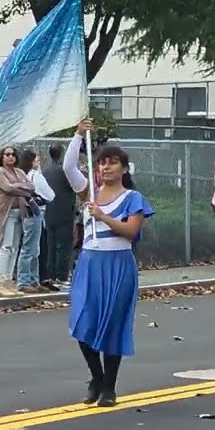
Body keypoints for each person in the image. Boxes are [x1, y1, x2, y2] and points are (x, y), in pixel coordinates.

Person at [63, 120, 154, 407]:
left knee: (113, 325)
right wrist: (78, 135)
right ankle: (96, 376)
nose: (105, 168)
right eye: (102, 163)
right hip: (90, 262)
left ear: (124, 169)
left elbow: (131, 231)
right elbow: (68, 168)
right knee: (83, 322)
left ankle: (109, 387)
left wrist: (103, 216)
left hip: (118, 264)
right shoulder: (89, 192)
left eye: (113, 163)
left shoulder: (133, 197)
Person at [0, 146, 35, 296]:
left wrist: (19, 186)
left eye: (13, 154)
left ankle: (8, 281)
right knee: (6, 247)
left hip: (18, 214)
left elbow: (31, 187)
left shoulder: (19, 171)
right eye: (7, 154)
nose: (10, 157)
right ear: (2, 157)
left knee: (15, 248)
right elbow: (8, 188)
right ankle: (0, 282)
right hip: (5, 214)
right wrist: (21, 187)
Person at [41, 143, 80, 290]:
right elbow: (77, 186)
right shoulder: (65, 172)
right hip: (64, 213)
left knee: (50, 246)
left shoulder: (45, 172)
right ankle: (62, 276)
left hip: (49, 213)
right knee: (64, 247)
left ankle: (50, 275)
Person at [17, 150, 54, 293]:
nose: (38, 163)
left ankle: (33, 279)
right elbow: (50, 195)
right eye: (36, 160)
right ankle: (25, 280)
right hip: (35, 211)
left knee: (33, 248)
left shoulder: (22, 175)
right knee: (30, 248)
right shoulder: (35, 175)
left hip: (28, 212)